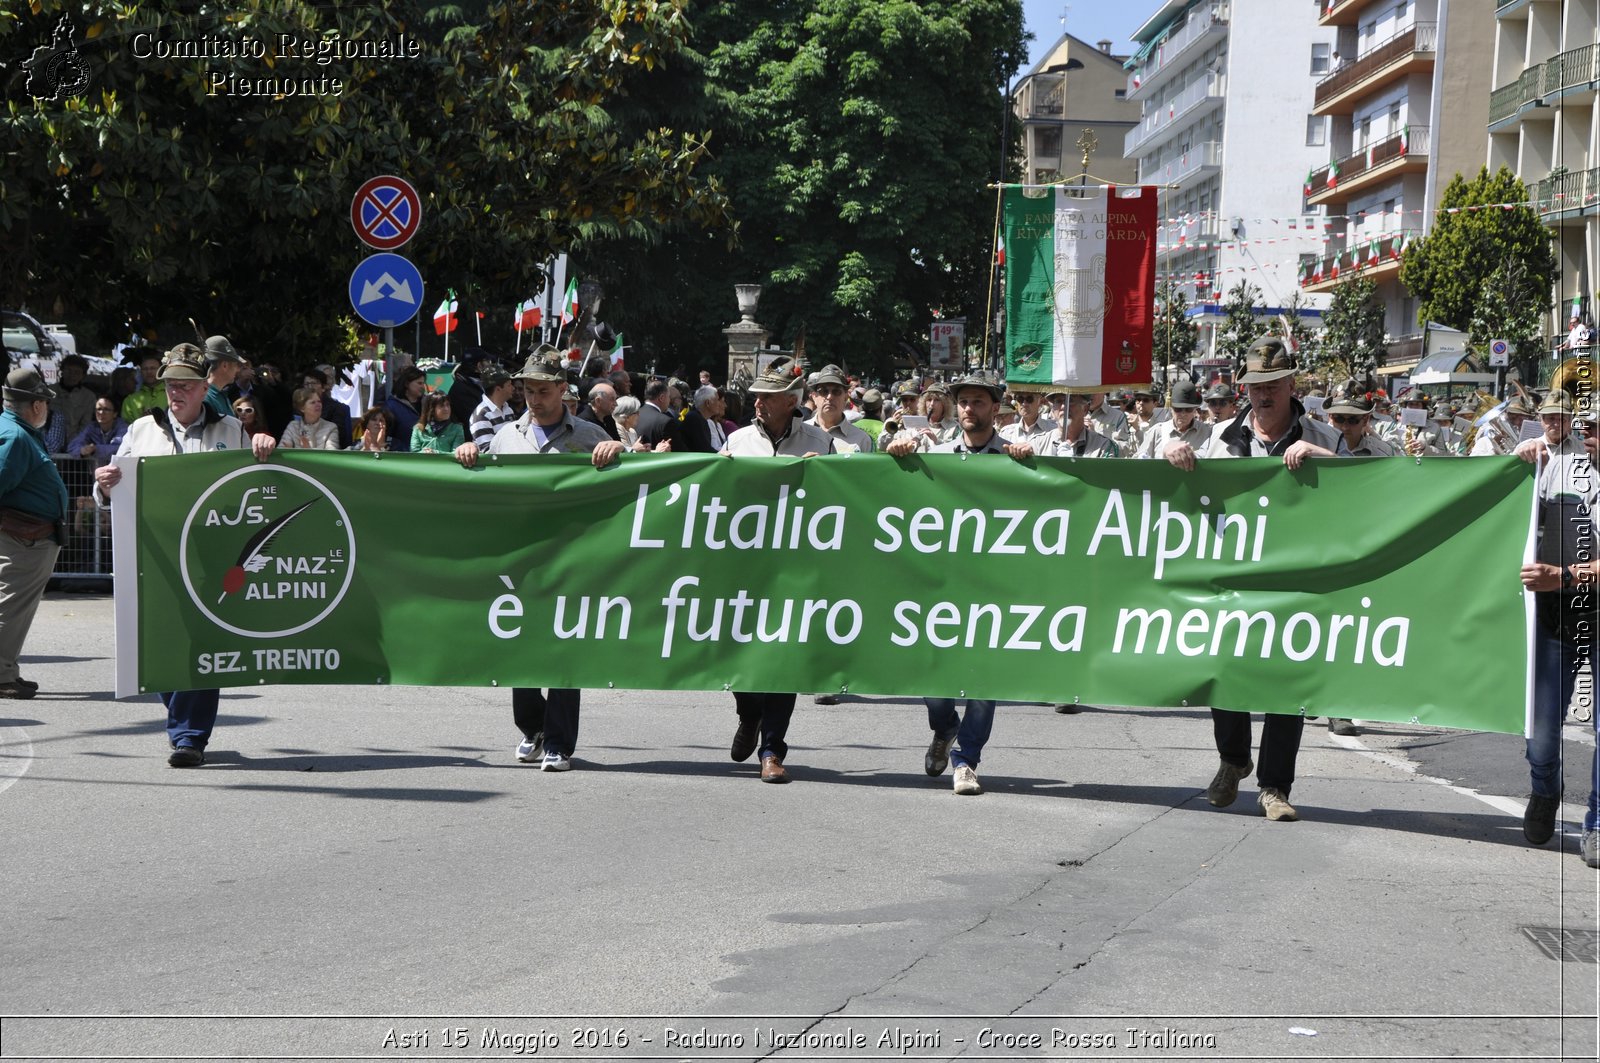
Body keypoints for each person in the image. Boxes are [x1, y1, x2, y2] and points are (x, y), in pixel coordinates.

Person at [1164, 336, 1342, 822]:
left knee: (1288, 680)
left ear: (1291, 384)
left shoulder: (1324, 436)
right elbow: (1163, 474)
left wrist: (1323, 459)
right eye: (1254, 385)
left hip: (1296, 578)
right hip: (1231, 573)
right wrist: (1171, 448)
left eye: (1273, 384)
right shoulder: (1220, 438)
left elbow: (1372, 485)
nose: (1262, 395)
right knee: (1225, 670)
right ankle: (1234, 757)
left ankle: (1275, 787)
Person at [92, 344, 277, 764]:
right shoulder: (141, 430)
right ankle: (182, 715)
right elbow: (111, 492)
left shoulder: (230, 429)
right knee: (157, 643)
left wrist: (264, 442)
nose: (176, 392)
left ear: (202, 387)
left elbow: (259, 479)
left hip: (209, 556)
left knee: (202, 641)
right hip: (153, 555)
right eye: (170, 385)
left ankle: (189, 736)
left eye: (185, 385)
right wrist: (103, 484)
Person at [453, 350, 623, 772]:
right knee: (519, 647)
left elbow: (631, 477)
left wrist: (617, 448)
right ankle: (533, 727)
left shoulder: (586, 434)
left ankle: (559, 743)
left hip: (571, 558)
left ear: (563, 391)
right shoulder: (508, 435)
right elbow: (488, 485)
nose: (534, 399)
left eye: (543, 391)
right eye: (527, 390)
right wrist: (470, 453)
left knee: (565, 650)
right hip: (521, 559)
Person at [885, 373, 1033, 795]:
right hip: (942, 585)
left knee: (984, 680)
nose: (970, 408)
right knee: (934, 677)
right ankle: (944, 726)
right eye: (964, 402)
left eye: (979, 402)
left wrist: (1028, 461)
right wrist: (896, 450)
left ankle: (966, 760)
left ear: (995, 408)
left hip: (994, 586)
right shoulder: (937, 454)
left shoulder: (1012, 455)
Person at [721, 358, 836, 784]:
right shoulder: (737, 441)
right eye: (756, 397)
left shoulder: (819, 443)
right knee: (741, 653)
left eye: (767, 398)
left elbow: (838, 503)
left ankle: (772, 749)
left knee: (783, 657)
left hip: (794, 567)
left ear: (792, 401)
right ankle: (748, 713)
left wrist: (826, 473)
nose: (758, 404)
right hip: (745, 567)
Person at [1514, 389, 1600, 866]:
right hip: (1555, 617)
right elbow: (1507, 509)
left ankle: (1598, 821)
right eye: (1587, 425)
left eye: (1595, 428)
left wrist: (1565, 575)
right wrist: (1520, 459)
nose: (1588, 432)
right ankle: (1544, 790)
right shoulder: (1556, 463)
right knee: (1541, 731)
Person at [0, 370, 69, 699]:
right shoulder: (15, 436)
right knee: (11, 609)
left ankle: (6, 669)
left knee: (15, 608)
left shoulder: (16, 431)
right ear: (37, 404)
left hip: (26, 536)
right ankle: (1, 675)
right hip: (22, 537)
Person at [806, 365, 874, 453]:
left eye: (836, 391)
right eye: (823, 391)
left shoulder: (862, 440)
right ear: (814, 397)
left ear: (846, 397)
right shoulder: (797, 434)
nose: (829, 397)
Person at [1136, 379, 1210, 458]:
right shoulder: (1157, 432)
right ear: (1171, 409)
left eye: (1188, 409)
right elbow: (1138, 460)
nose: (1183, 414)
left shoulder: (1207, 432)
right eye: (1178, 409)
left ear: (1195, 410)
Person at [1037, 392, 1119, 458]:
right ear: (1053, 410)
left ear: (1085, 409)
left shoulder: (1103, 446)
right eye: (1058, 401)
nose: (1063, 407)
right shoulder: (1038, 444)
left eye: (1070, 401)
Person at [50, 354, 97, 440]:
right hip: (49, 440)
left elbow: (85, 426)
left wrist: (75, 444)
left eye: (77, 372)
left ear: (83, 375)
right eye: (69, 371)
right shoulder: (49, 391)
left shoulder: (89, 397)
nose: (72, 375)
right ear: (62, 371)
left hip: (74, 442)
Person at [68, 397, 127, 467]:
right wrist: (82, 451)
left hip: (119, 472)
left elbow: (119, 448)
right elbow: (72, 446)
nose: (101, 413)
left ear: (115, 414)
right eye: (99, 409)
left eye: (106, 409)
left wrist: (95, 449)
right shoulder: (91, 427)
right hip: (97, 475)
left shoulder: (122, 427)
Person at [468, 365, 516, 448]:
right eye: (509, 385)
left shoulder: (508, 410)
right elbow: (488, 451)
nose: (513, 388)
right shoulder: (481, 415)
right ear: (498, 389)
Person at [202, 335, 244, 418]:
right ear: (225, 365)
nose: (238, 370)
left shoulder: (219, 394)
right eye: (236, 365)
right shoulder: (205, 398)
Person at [635, 379, 684, 452]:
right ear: (662, 398)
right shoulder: (666, 421)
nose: (669, 401)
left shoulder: (634, 415)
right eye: (668, 397)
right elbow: (679, 451)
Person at [120, 349, 168, 423]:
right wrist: (142, 422)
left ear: (160, 370)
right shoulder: (130, 400)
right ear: (141, 371)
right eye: (145, 369)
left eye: (153, 368)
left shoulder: (171, 395)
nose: (149, 372)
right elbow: (126, 430)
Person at [385, 365, 426, 452]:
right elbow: (386, 436)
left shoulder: (427, 403)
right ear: (407, 384)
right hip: (402, 458)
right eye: (419, 383)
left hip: (427, 456)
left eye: (423, 383)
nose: (423, 387)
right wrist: (402, 448)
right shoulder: (391, 406)